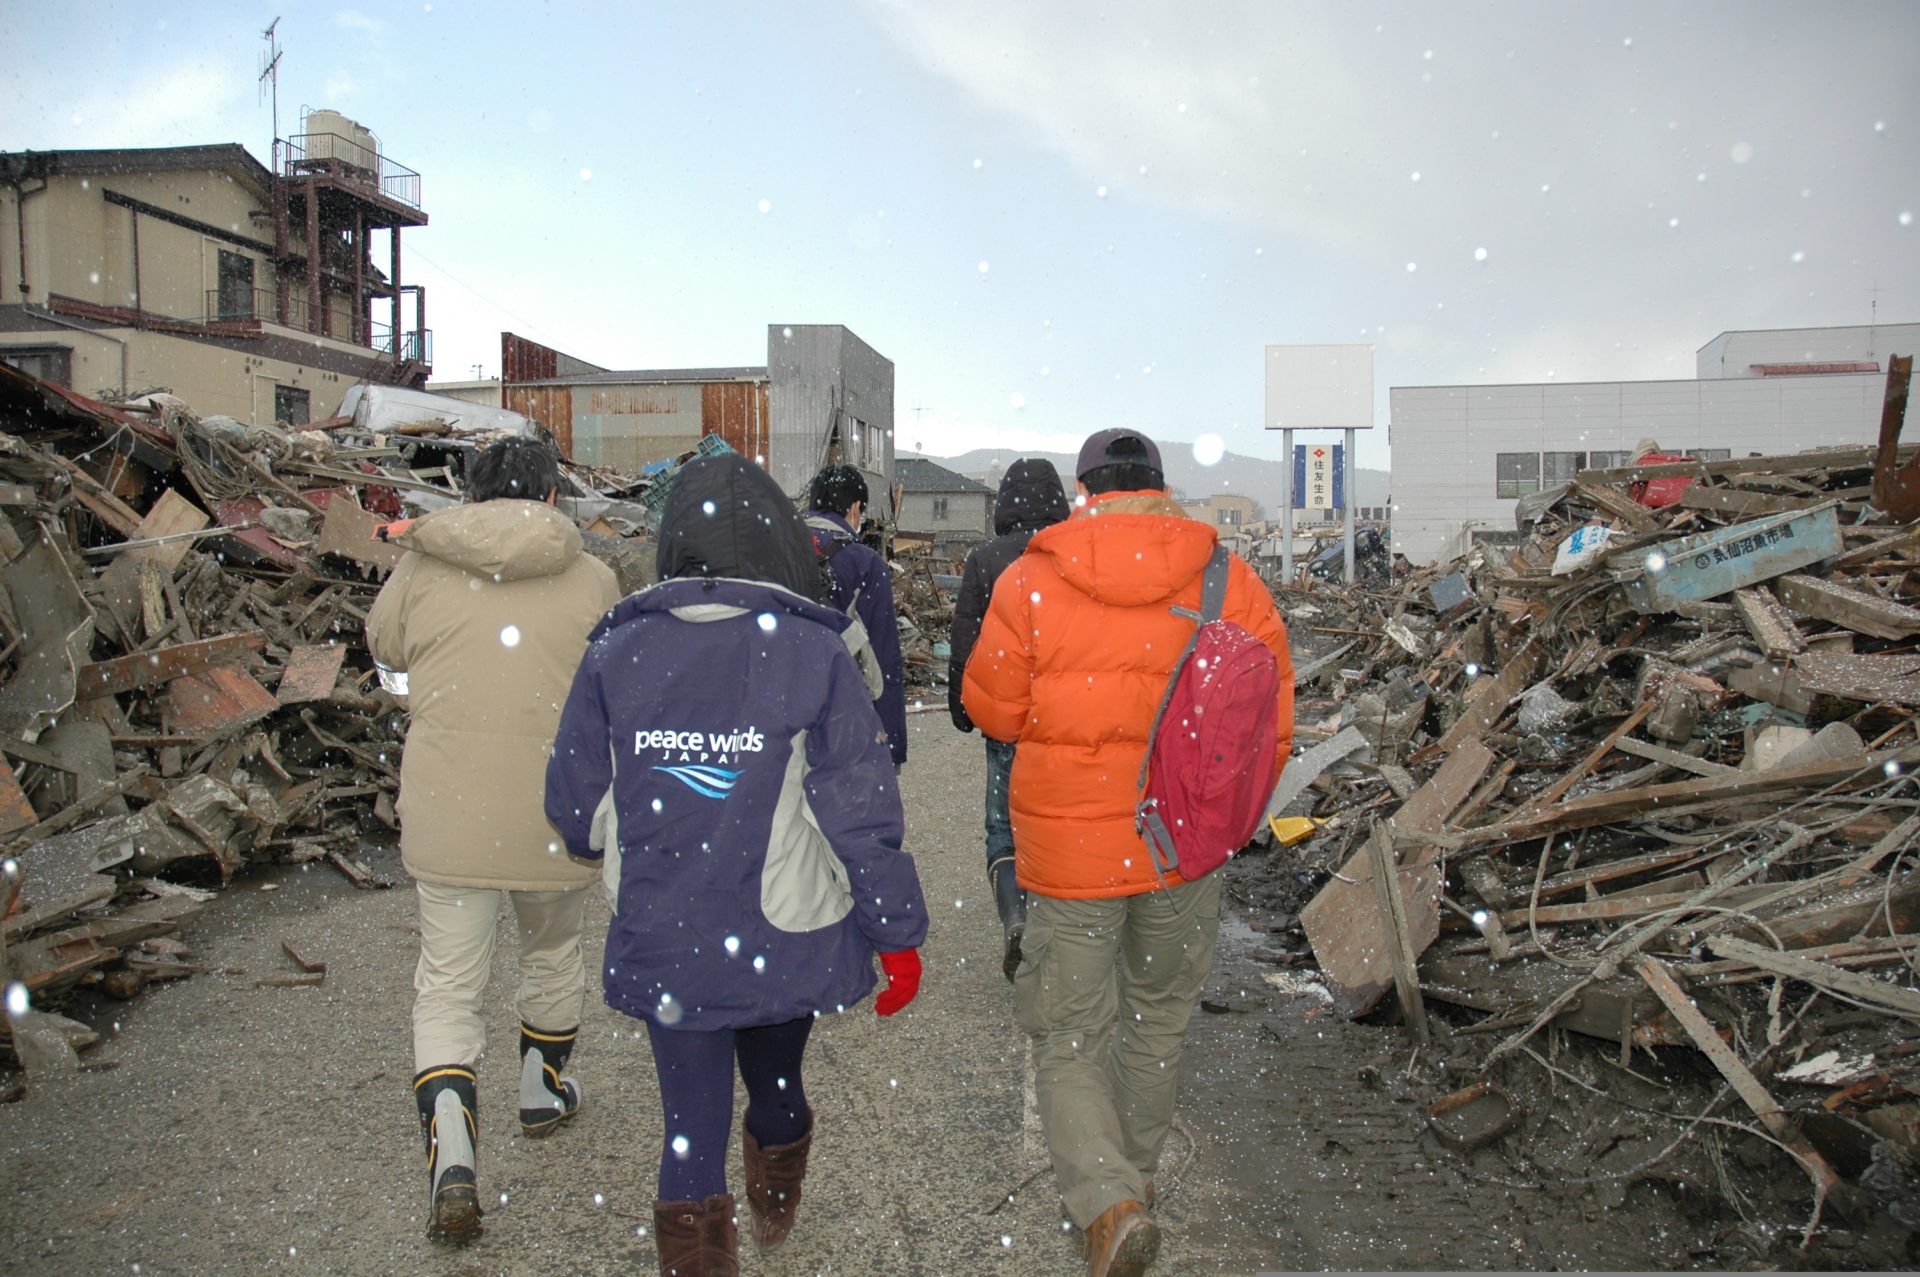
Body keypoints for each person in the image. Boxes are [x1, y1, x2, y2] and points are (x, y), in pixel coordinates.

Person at [545, 453, 928, 1277]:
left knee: (689, 1124)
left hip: (666, 928)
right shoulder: (810, 651)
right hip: (780, 926)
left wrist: (621, 835)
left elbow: (575, 808)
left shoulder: (617, 650)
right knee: (778, 1082)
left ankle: (702, 1250)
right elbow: (861, 813)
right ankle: (776, 1201)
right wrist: (897, 931)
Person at [962, 428, 1293, 1277]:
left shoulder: (1032, 578)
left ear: (1085, 491)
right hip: (1182, 851)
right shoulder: (1228, 577)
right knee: (1155, 1025)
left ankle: (1110, 1204)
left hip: (1070, 856)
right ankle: (1131, 1188)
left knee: (1070, 1036)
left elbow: (992, 710)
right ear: (1161, 487)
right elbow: (1272, 723)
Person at [365, 436, 622, 1244]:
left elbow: (384, 646)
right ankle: (541, 1089)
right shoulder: (593, 576)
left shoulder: (425, 565)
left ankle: (453, 1155)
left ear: (470, 497)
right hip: (557, 813)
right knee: (551, 952)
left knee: (447, 985)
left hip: (450, 813)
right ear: (552, 497)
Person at [946, 457, 1071, 981]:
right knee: (1062, 822)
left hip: (1006, 717)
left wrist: (961, 701)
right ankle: (1061, 928)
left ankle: (1016, 918)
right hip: (1065, 717)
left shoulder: (986, 558)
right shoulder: (1072, 554)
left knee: (1003, 826)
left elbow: (965, 639)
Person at [802, 464, 908, 770]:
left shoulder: (775, 548)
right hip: (840, 712)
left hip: (777, 707)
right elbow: (882, 655)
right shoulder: (863, 562)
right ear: (854, 508)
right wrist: (891, 742)